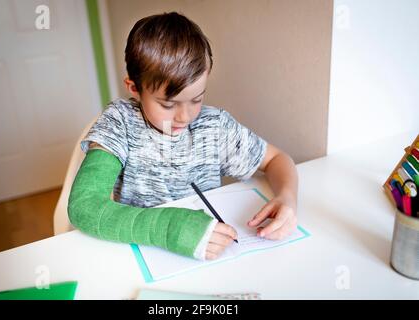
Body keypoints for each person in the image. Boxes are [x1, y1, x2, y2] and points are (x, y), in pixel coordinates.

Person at [68, 12, 298, 261]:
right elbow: (84, 206)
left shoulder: (214, 127)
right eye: (168, 105)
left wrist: (287, 197)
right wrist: (169, 228)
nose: (184, 116)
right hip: (142, 255)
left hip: (209, 253)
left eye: (196, 99)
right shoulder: (119, 123)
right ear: (134, 88)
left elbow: (277, 159)